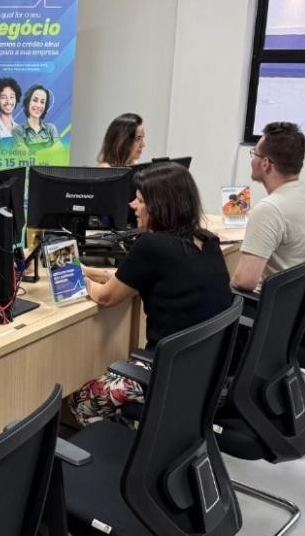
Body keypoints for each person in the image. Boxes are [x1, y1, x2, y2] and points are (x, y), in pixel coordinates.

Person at [68, 164, 233, 427]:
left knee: (80, 399)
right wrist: (88, 270)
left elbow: (105, 297)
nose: (133, 205)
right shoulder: (207, 242)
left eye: (140, 200)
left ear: (160, 206)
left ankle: (133, 445)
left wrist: (74, 277)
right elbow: (131, 275)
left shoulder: (152, 246)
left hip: (167, 376)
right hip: (209, 375)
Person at [230, 122, 305, 292]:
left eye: (254, 154)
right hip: (301, 299)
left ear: (265, 164)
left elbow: (243, 282)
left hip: (266, 304)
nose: (252, 159)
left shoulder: (269, 209)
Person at [12, 84, 60, 153]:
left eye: (42, 102)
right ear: (28, 102)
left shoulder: (51, 128)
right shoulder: (17, 131)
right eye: (35, 100)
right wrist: (51, 150)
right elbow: (26, 155)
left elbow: (60, 151)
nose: (38, 105)